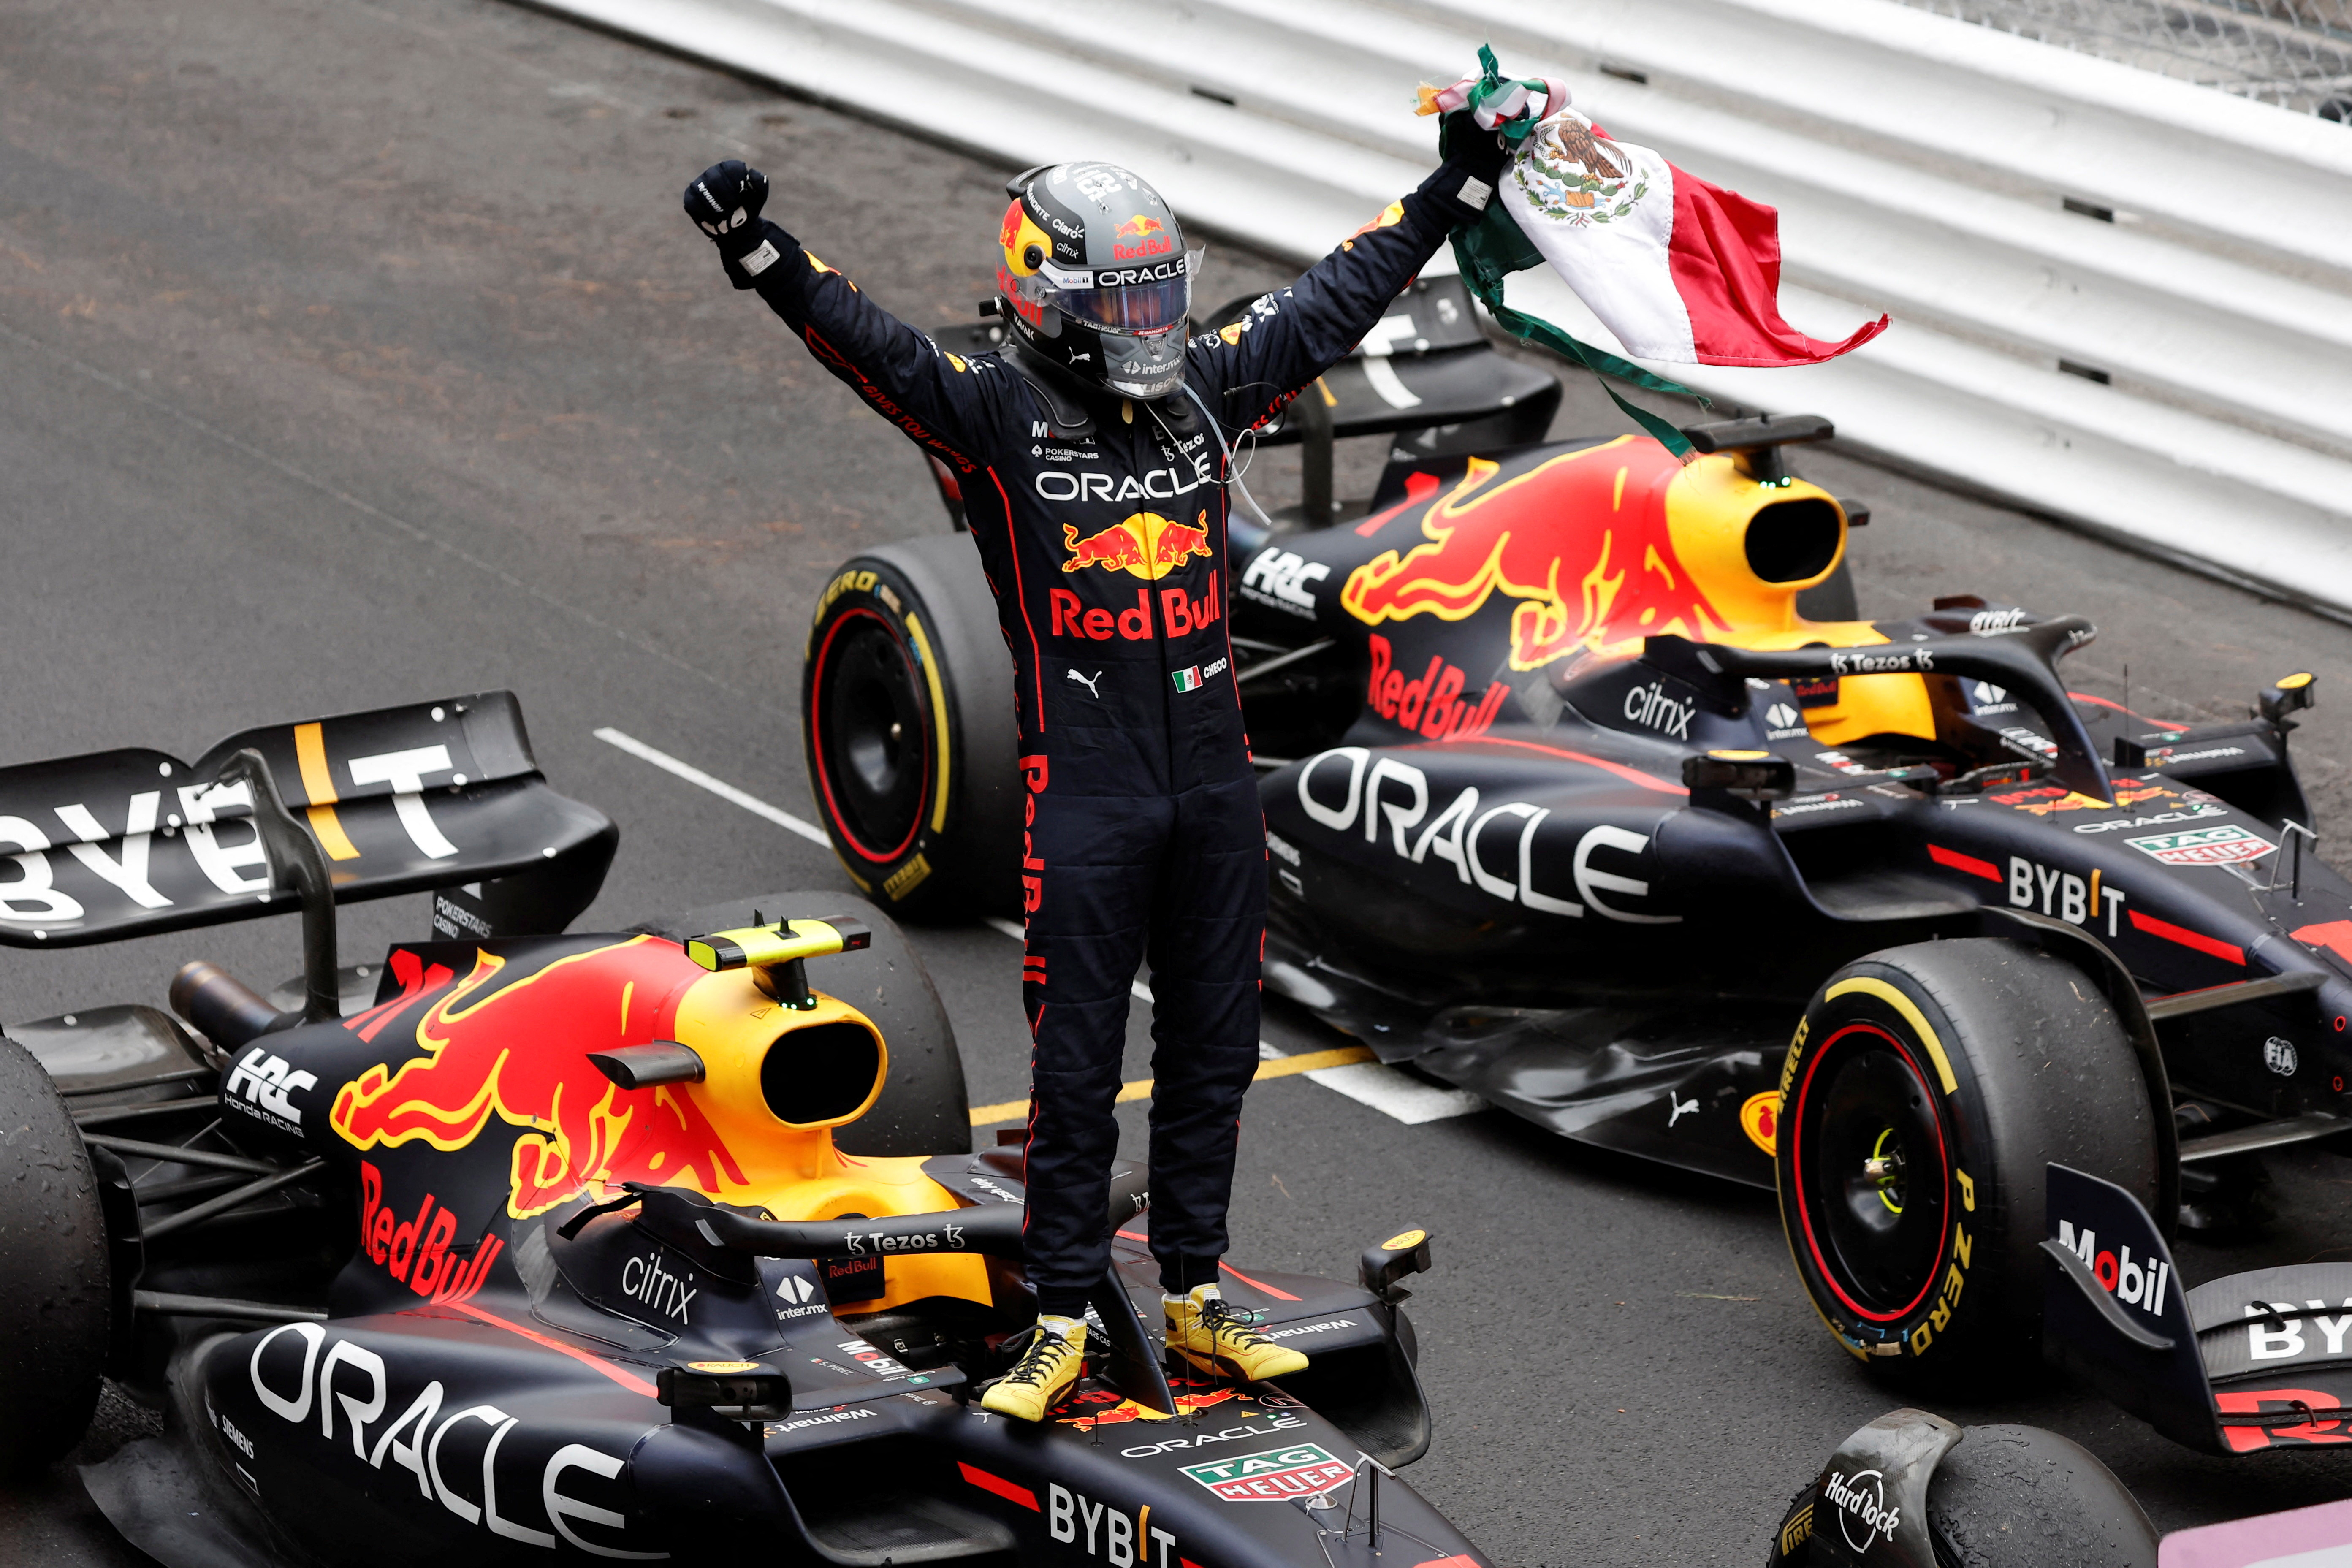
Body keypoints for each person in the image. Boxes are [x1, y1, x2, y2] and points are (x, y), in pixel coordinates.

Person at [684, 123, 1508, 1421]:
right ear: (1051, 299)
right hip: (1087, 793)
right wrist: (758, 251)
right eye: (1125, 297)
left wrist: (1454, 188)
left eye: (1161, 291)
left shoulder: (1203, 392)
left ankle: (1193, 1296)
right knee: (1074, 1067)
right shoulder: (989, 407)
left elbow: (1336, 295)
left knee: (1214, 1051)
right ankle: (1059, 1320)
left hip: (1215, 786)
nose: (1152, 318)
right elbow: (870, 343)